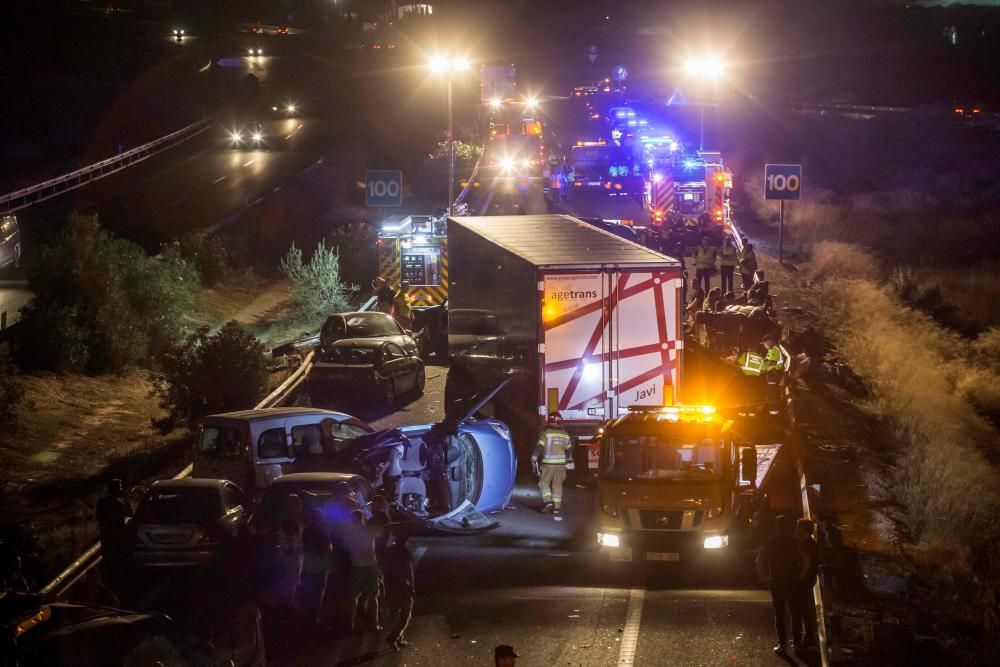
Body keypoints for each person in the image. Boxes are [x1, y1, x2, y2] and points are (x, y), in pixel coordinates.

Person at [756, 514, 807, 655]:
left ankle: (782, 645)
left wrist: (763, 576)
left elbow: (760, 560)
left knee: (779, 613)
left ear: (777, 527)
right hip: (793, 581)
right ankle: (797, 644)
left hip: (777, 581)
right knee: (795, 613)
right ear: (790, 526)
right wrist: (801, 575)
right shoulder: (795, 542)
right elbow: (805, 559)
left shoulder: (771, 542)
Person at [344, 510, 382, 633]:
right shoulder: (370, 530)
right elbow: (384, 530)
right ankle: (374, 624)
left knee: (352, 597)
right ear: (363, 519)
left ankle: (350, 625)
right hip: (370, 566)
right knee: (373, 597)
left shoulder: (348, 533)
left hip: (356, 567)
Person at [95, 478, 133, 590]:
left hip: (106, 537)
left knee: (107, 561)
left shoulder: (101, 502)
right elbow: (130, 513)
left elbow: (98, 519)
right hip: (118, 538)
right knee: (117, 562)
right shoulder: (120, 503)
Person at [532, 413, 572, 515]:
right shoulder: (565, 434)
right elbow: (569, 451)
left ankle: (548, 501)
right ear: (560, 421)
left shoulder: (546, 433)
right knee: (557, 485)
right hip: (561, 465)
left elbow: (540, 446)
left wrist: (534, 457)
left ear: (549, 421)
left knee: (544, 483)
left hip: (548, 464)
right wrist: (568, 460)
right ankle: (556, 508)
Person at [383, 533, 415, 651]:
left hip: (390, 585)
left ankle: (400, 638)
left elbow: (384, 567)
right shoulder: (405, 553)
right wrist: (412, 587)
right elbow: (409, 572)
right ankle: (393, 637)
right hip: (402, 586)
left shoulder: (389, 551)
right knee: (406, 613)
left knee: (395, 612)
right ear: (406, 541)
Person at [299, 508, 332, 624]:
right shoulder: (324, 531)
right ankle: (314, 617)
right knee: (318, 592)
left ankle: (305, 615)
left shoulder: (306, 530)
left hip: (308, 564)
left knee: (307, 589)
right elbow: (328, 549)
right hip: (320, 565)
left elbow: (302, 546)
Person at [795, 518, 821, 654]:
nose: (796, 529)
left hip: (805, 580)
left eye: (798, 527)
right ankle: (809, 634)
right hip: (810, 579)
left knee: (804, 608)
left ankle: (808, 636)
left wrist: (801, 576)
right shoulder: (813, 543)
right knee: (806, 607)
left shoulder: (805, 544)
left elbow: (807, 561)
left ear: (803, 529)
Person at [277, 494, 304, 610]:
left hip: (288, 552)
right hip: (292, 553)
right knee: (291, 579)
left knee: (289, 578)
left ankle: (288, 601)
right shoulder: (291, 519)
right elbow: (290, 537)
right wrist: (292, 550)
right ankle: (290, 604)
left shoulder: (287, 518)